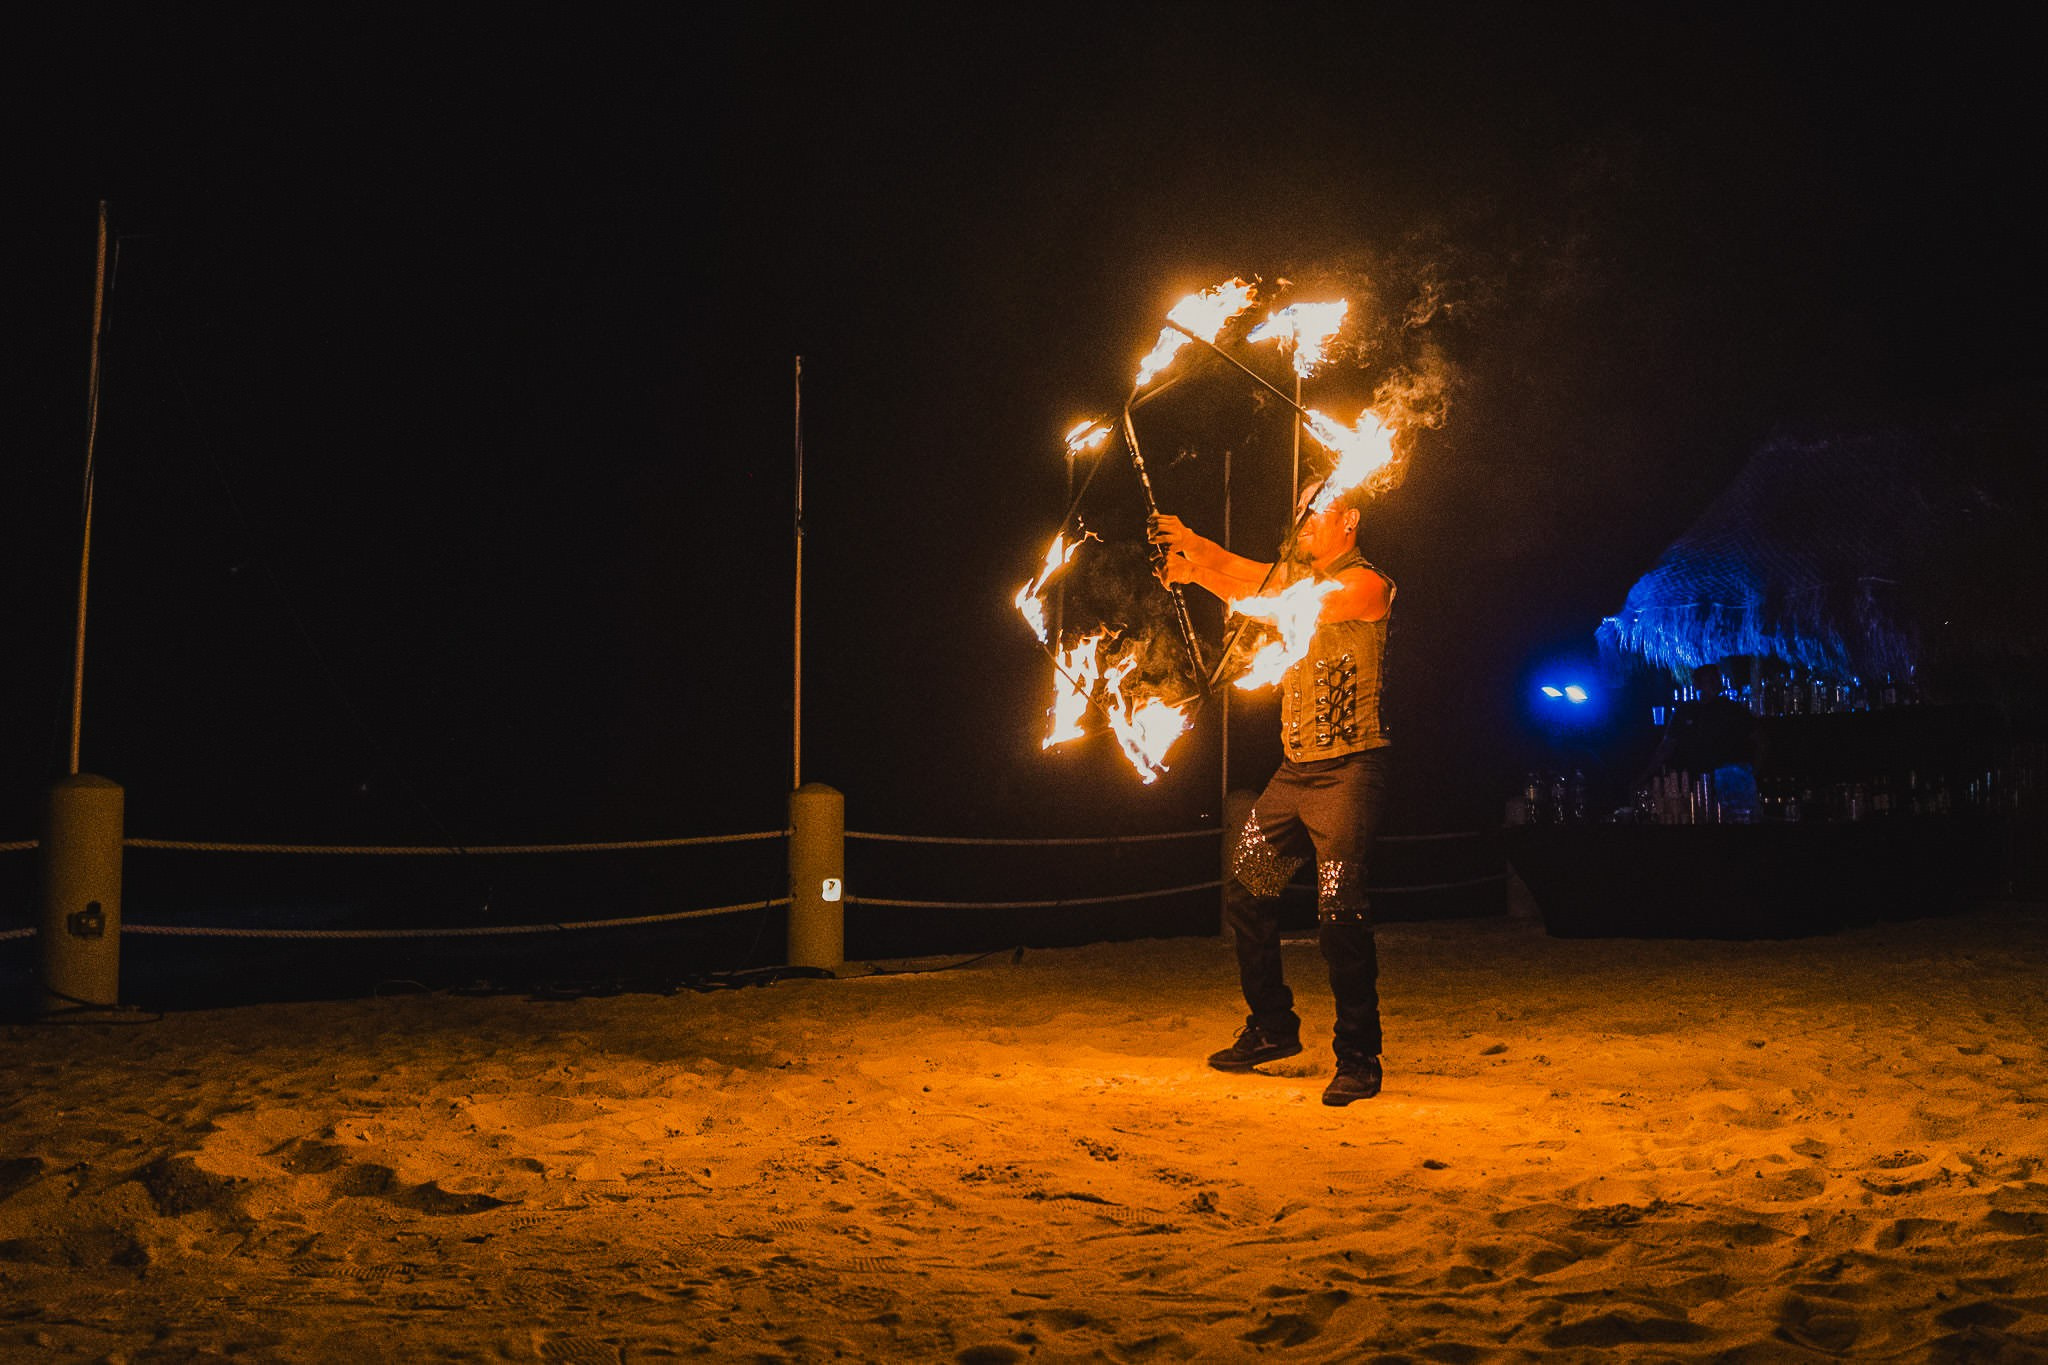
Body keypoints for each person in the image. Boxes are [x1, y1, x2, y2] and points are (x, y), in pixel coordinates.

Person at [1149, 480, 1395, 1106]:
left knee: (1340, 912)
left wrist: (1200, 548)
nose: (1301, 519)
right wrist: (1193, 568)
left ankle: (1359, 1057)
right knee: (1247, 891)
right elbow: (1260, 591)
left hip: (1348, 773)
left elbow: (1279, 594)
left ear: (1350, 518)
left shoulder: (1368, 586)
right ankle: (1273, 1027)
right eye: (1297, 509)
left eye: (1314, 509)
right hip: (1293, 776)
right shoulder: (1292, 583)